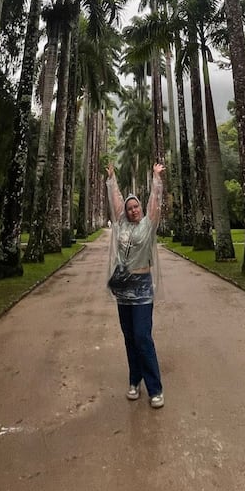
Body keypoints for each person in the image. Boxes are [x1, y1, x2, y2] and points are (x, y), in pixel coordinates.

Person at [105, 160, 165, 409]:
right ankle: (134, 380)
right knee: (129, 337)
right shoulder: (120, 225)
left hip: (142, 286)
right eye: (129, 208)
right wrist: (112, 180)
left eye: (136, 206)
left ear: (141, 208)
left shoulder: (148, 225)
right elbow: (115, 200)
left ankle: (155, 388)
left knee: (142, 336)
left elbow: (155, 201)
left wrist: (156, 178)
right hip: (123, 287)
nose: (133, 210)